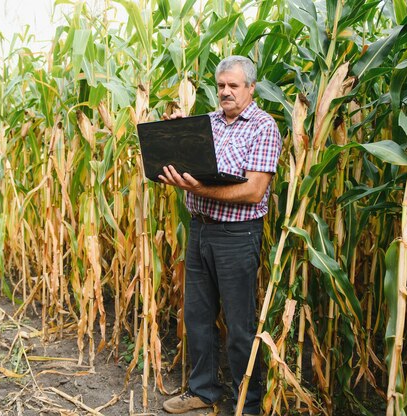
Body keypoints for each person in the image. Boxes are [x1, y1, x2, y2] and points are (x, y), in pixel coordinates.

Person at [160, 56, 282, 415]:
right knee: (197, 317)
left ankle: (248, 403)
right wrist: (175, 136)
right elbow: (187, 162)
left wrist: (198, 190)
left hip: (237, 235)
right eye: (221, 86)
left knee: (240, 326)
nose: (226, 92)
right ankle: (203, 391)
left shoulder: (263, 127)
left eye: (234, 85)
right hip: (200, 230)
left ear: (251, 88)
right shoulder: (207, 123)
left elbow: (253, 191)